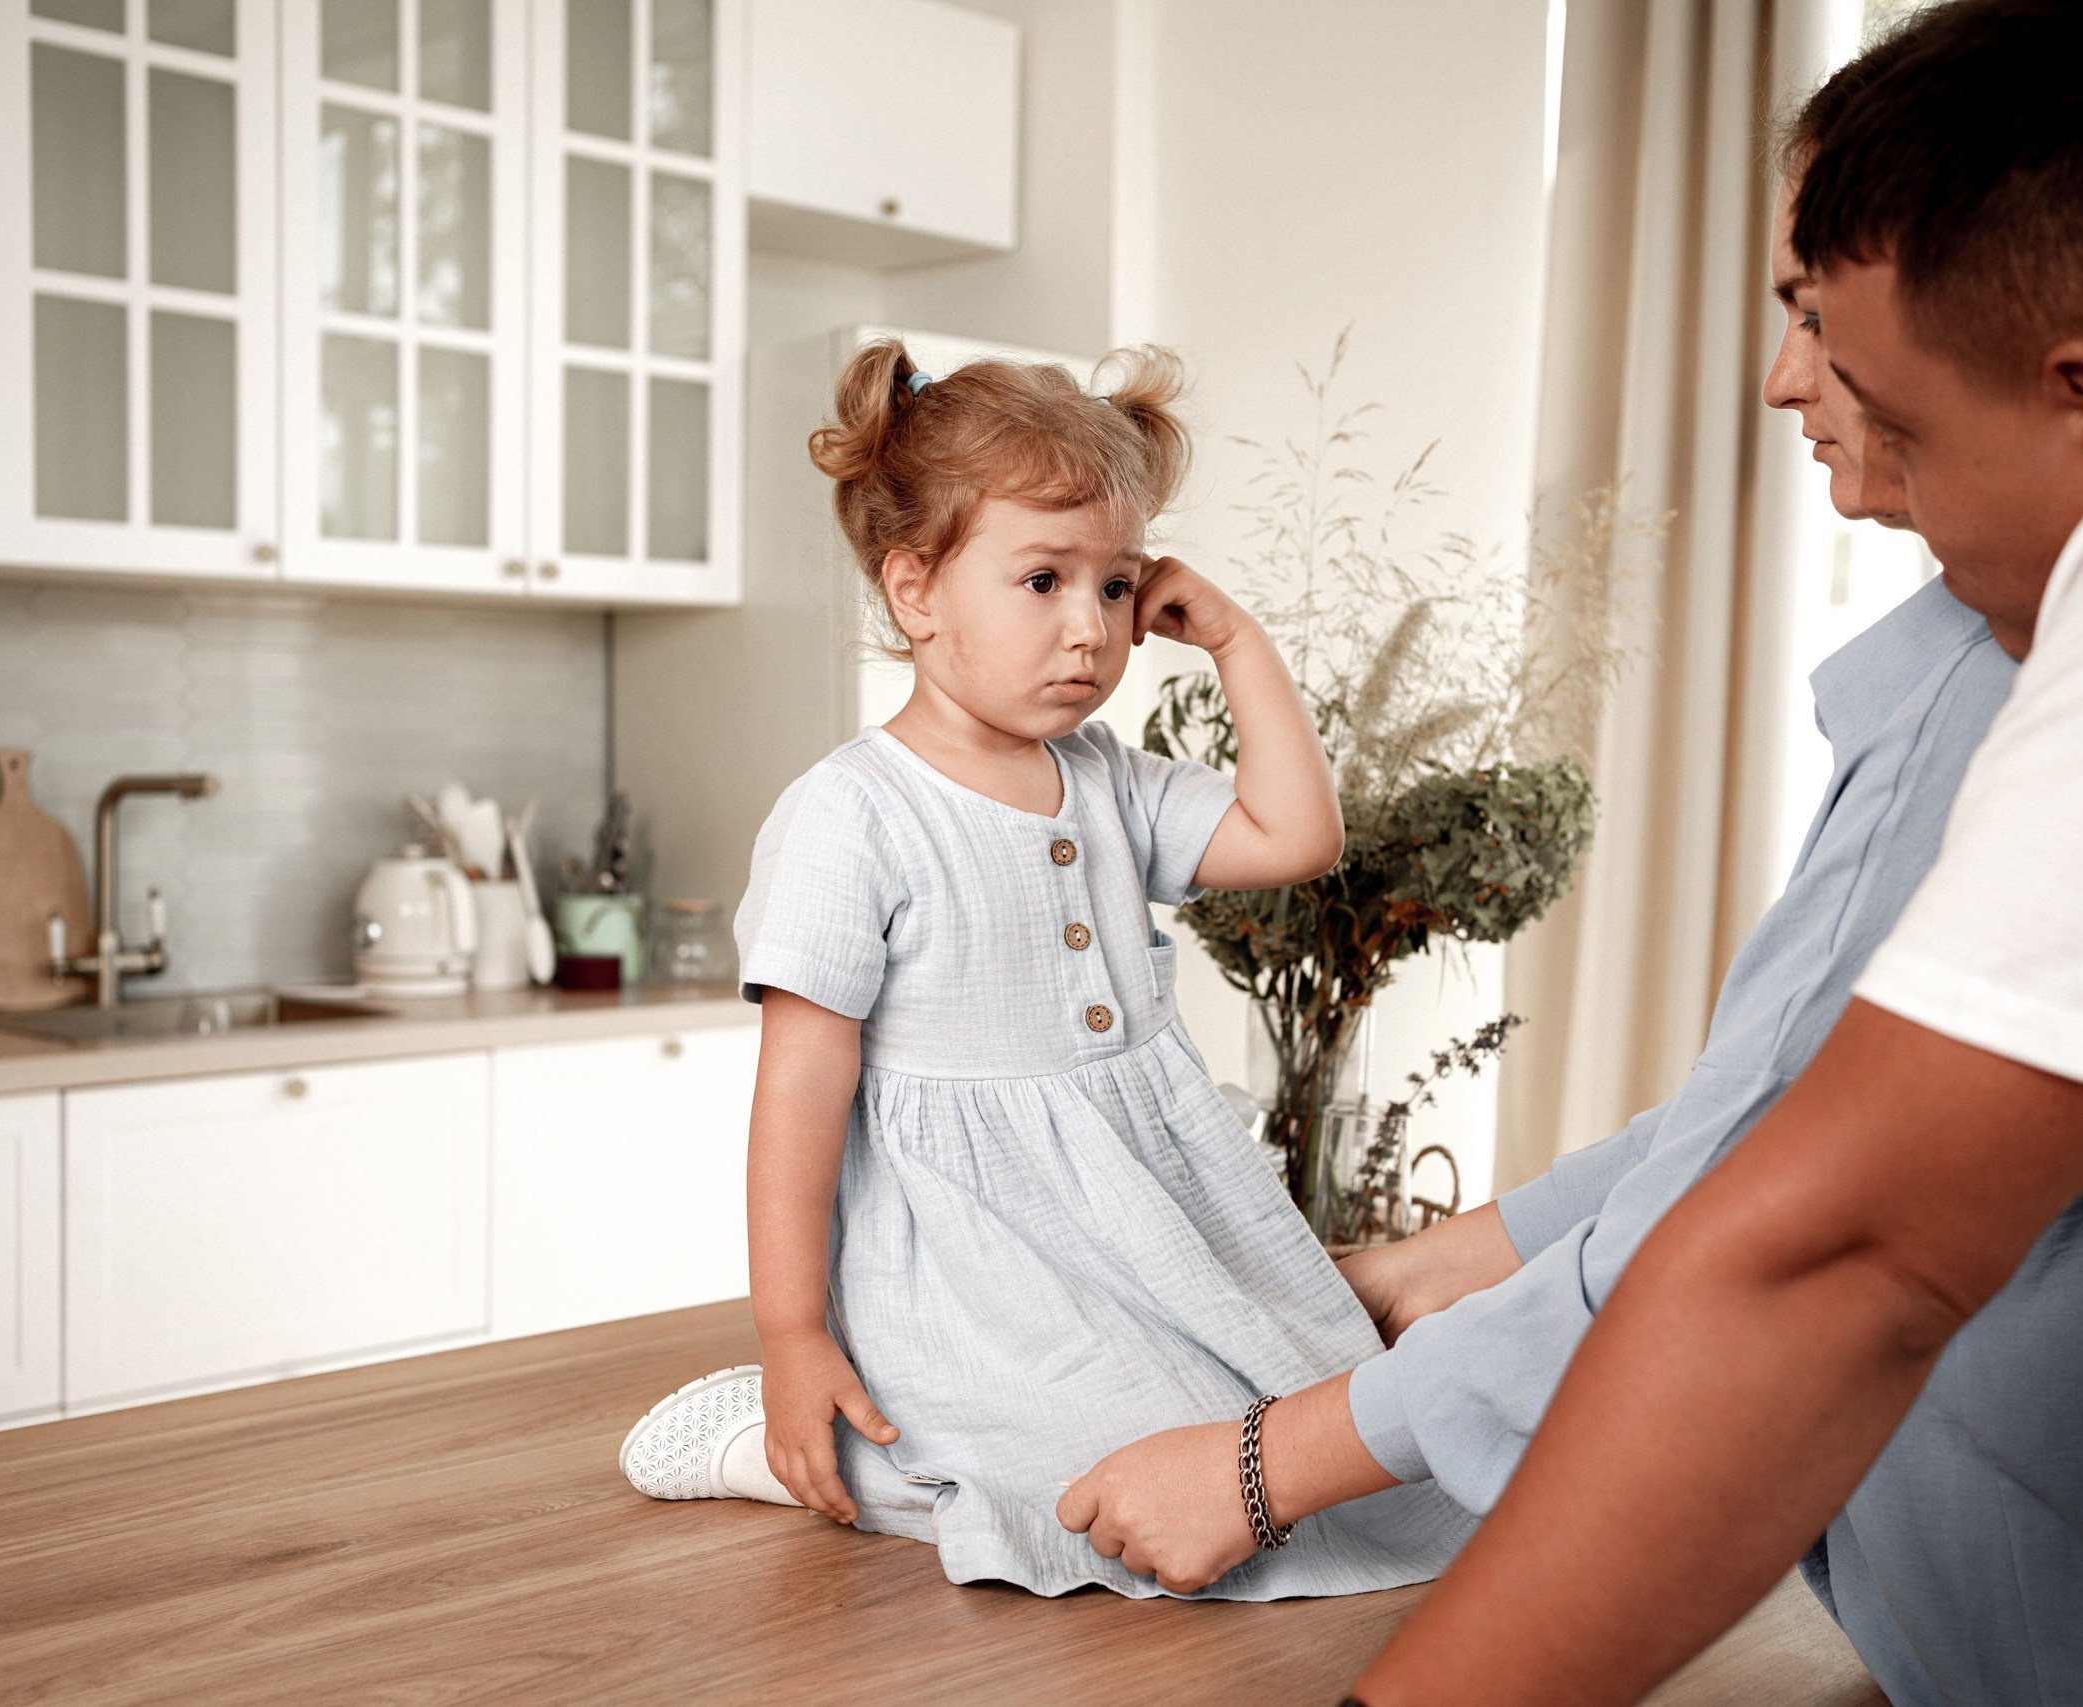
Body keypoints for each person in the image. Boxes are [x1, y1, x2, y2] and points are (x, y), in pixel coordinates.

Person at [1057, 28, 2083, 1704]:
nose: (1783, 382)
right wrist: (1432, 1268)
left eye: (1823, 328)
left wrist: (1269, 1465)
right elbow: (1776, 1124)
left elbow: (1811, 1247)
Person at [613, 340, 1473, 1597]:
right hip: (980, 1254)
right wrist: (792, 1334)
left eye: (1119, 585)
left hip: (1148, 1215)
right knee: (1095, 1479)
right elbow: (799, 1091)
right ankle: (782, 1434)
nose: (1092, 627)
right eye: (1041, 579)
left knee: (1296, 1437)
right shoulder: (853, 814)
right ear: (915, 590)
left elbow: (1298, 835)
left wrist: (1234, 641)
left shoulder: (1106, 781)